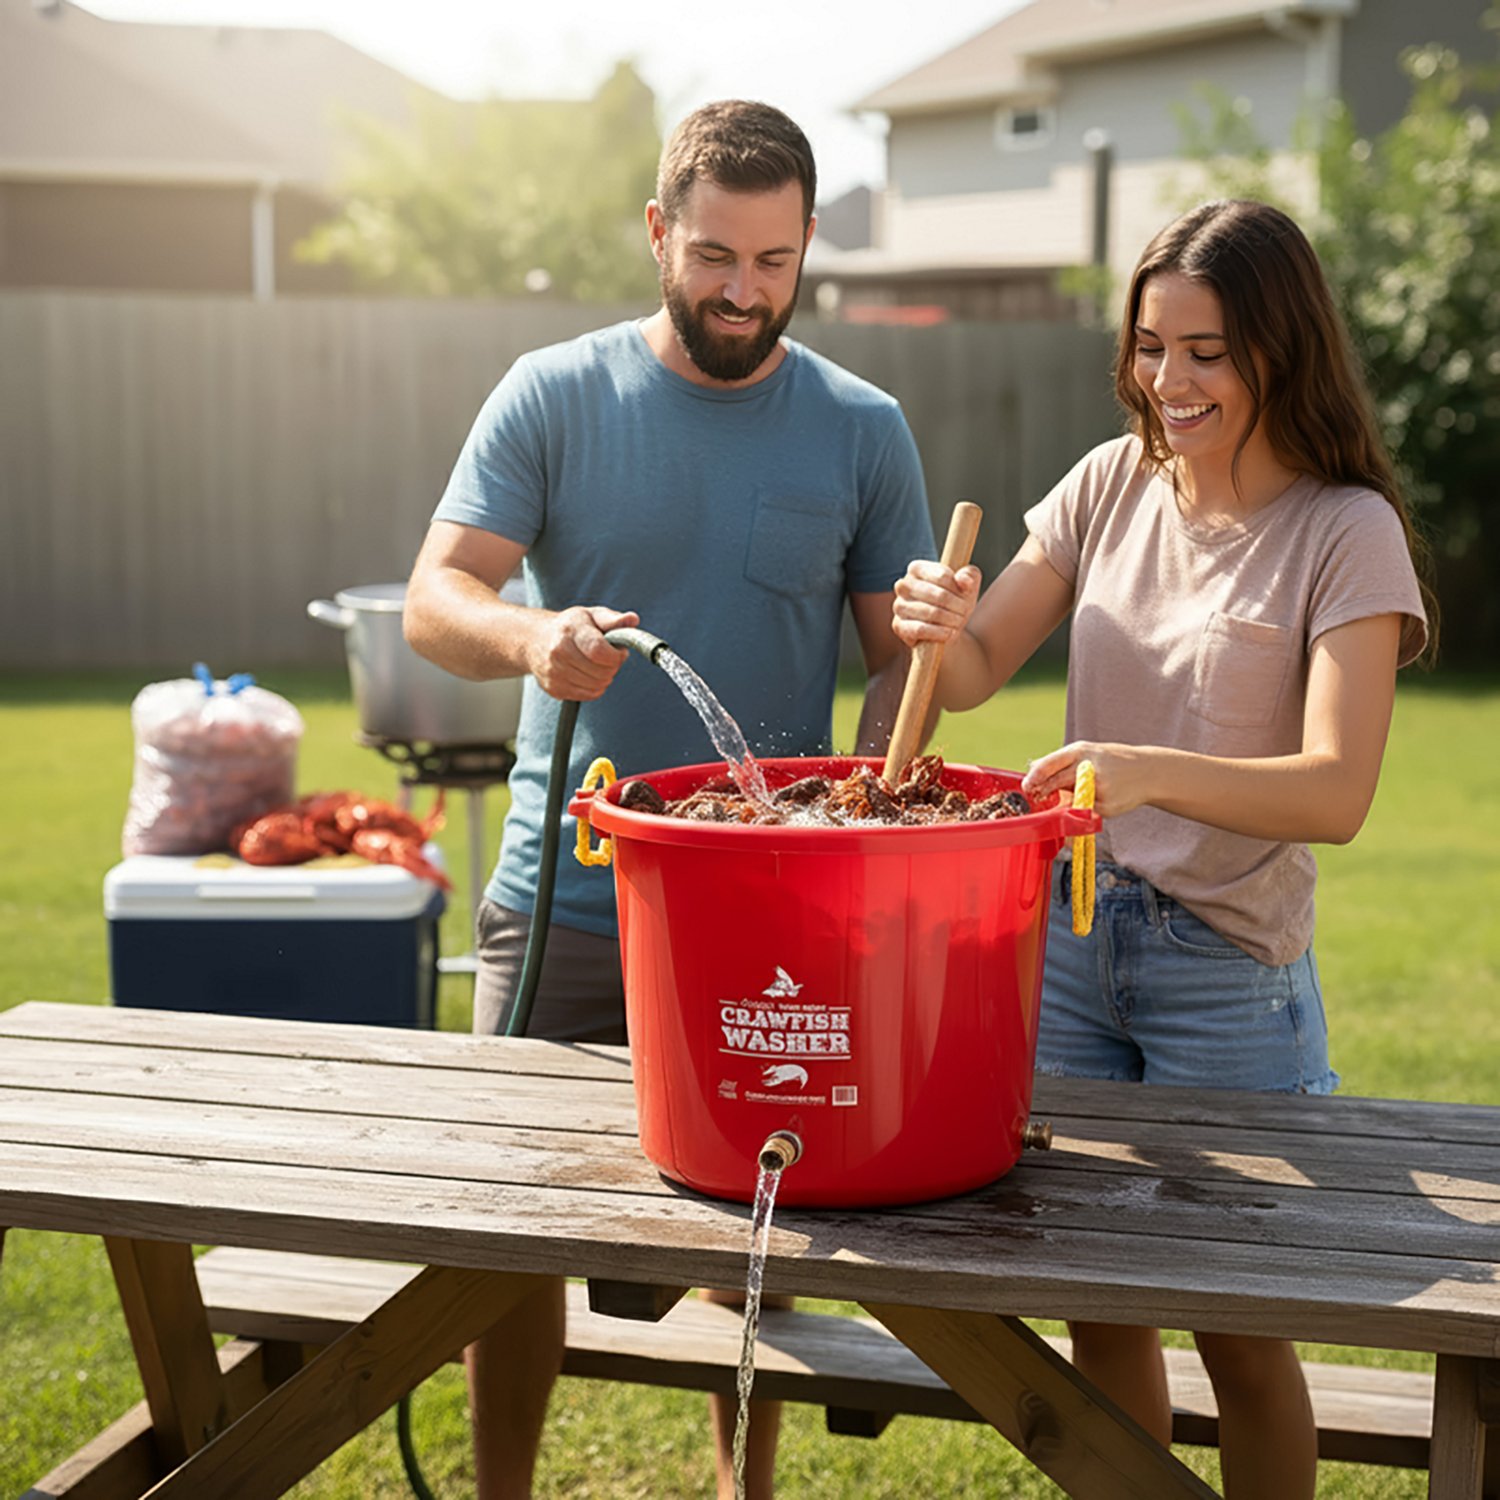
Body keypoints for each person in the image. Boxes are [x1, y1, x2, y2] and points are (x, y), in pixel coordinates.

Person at [404, 100, 935, 1500]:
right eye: (714, 255)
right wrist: (531, 639)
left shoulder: (864, 430)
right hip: (563, 900)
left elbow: (903, 675)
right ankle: (504, 1491)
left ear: (811, 243)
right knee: (506, 1232)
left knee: (754, 1227)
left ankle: (740, 1489)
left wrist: (931, 670)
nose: (742, 291)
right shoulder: (553, 393)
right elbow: (435, 595)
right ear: (658, 234)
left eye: (772, 260)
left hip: (769, 909)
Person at [891, 198, 1432, 1500]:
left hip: (1226, 972)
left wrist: (1144, 775)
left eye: (1207, 352)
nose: (1169, 381)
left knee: (1242, 1332)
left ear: (1278, 351)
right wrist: (935, 620)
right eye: (1150, 346)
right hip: (1070, 943)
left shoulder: (1345, 530)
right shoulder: (1107, 483)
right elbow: (969, 674)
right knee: (1101, 1313)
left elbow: (1336, 792)